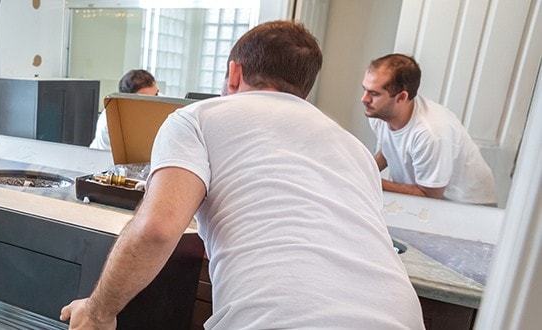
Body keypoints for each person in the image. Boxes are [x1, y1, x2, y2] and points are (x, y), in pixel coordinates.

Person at [60, 21, 423, 329]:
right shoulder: (355, 148)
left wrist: (97, 312)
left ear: (234, 73)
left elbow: (157, 229)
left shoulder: (197, 118)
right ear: (304, 88)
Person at [362, 54, 497, 205]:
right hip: (431, 200)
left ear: (401, 97)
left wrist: (371, 181)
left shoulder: (431, 133)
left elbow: (429, 195)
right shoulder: (380, 114)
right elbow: (390, 149)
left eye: (374, 93)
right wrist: (363, 170)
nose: (364, 99)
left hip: (467, 208)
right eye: (365, 90)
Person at [89, 69, 160, 150]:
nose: (154, 103)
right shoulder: (114, 117)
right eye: (146, 99)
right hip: (104, 158)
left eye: (156, 95)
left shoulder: (154, 105)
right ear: (126, 101)